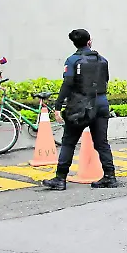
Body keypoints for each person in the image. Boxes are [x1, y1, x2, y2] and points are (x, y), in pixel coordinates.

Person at [41, 29, 117, 190]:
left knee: (69, 142)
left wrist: (58, 106)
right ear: (89, 41)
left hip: (80, 106)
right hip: (101, 103)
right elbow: (106, 80)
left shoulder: (72, 60)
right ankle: (110, 176)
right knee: (101, 142)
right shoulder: (103, 60)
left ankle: (60, 179)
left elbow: (67, 84)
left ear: (74, 44)